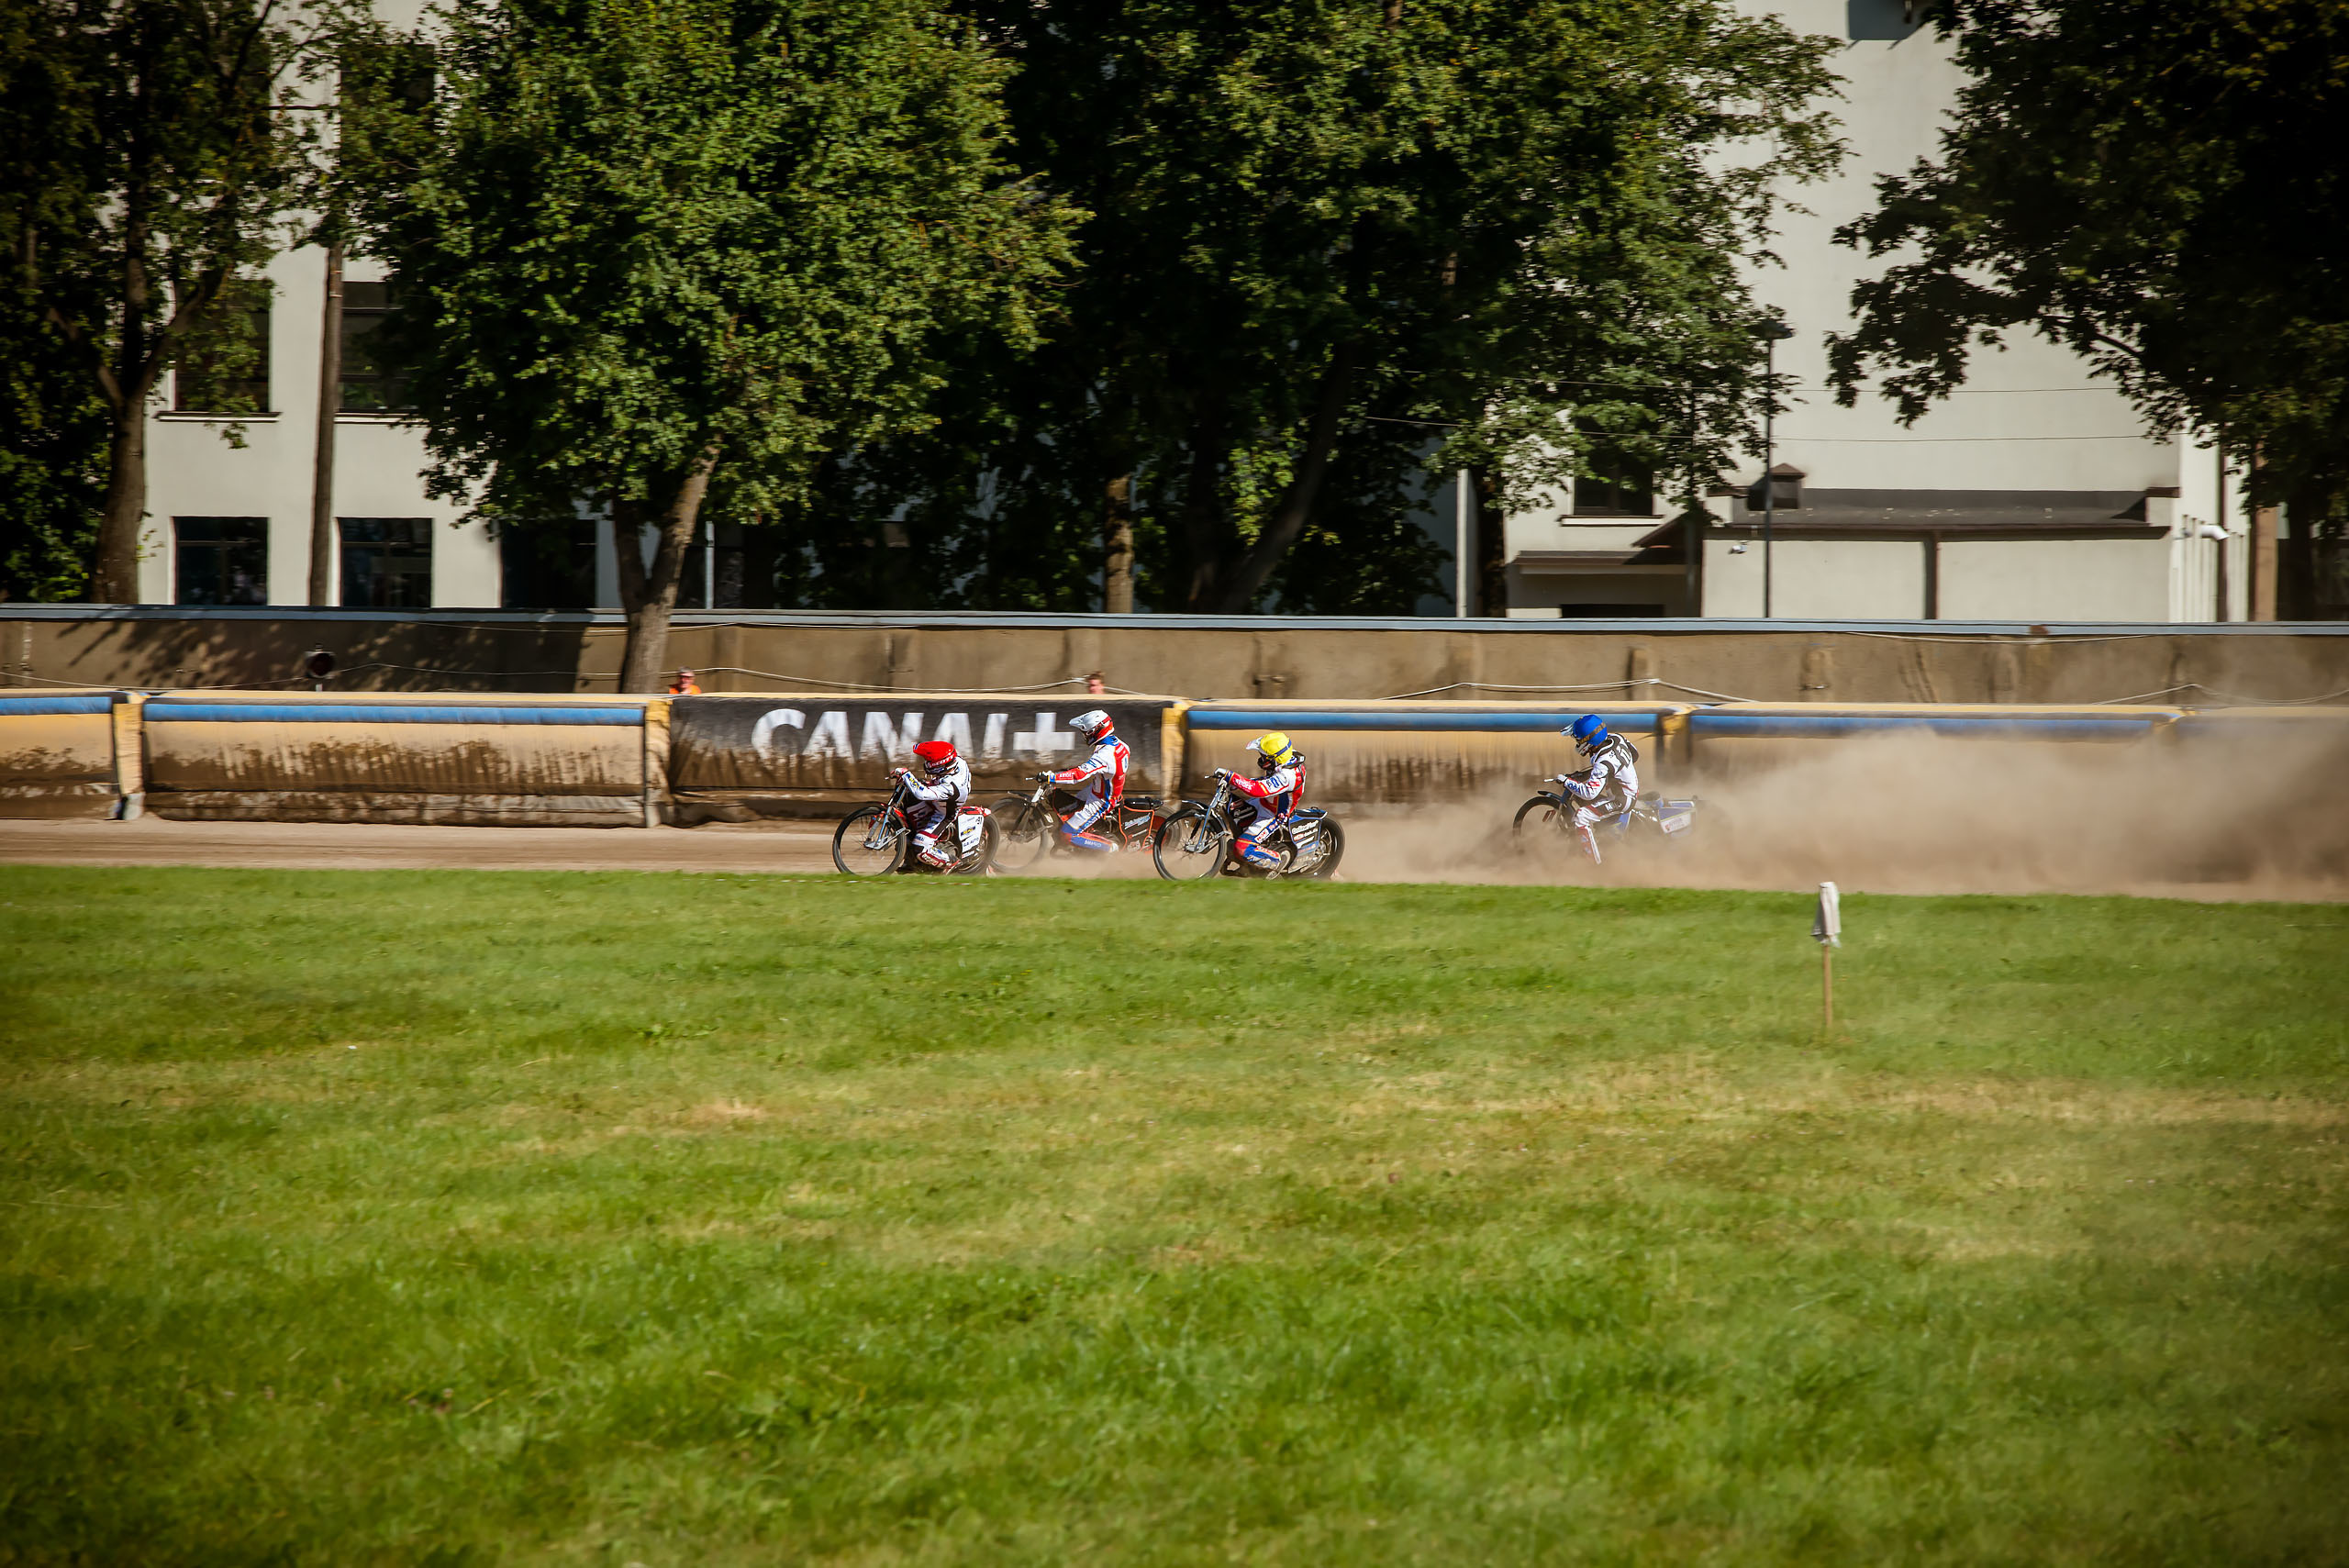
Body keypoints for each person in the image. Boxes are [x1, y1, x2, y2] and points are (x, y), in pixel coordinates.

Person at [1554, 714, 1640, 864]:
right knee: (1584, 800)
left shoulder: (1602, 762)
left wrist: (1567, 781)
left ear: (1588, 741)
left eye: (1579, 740)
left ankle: (1592, 864)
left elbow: (1589, 793)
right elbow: (1635, 754)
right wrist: (1614, 772)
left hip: (1621, 800)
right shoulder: (1617, 738)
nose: (1577, 743)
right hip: (1630, 790)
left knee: (1581, 816)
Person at [1214, 730, 1304, 870]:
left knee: (1241, 848)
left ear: (1276, 758)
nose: (1262, 759)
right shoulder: (1286, 756)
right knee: (1234, 811)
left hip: (1274, 814)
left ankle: (1278, 860)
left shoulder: (1287, 776)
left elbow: (1257, 790)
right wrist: (1234, 784)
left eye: (1264, 757)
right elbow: (1265, 781)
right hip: (1264, 801)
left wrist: (1231, 776)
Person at [1041, 708, 1127, 851]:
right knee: (1069, 809)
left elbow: (1078, 775)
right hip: (1101, 789)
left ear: (1096, 730)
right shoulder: (1118, 744)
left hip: (1101, 799)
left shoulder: (1105, 755)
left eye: (1086, 732)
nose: (1084, 736)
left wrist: (1052, 777)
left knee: (1067, 834)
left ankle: (1111, 847)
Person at [893, 738, 972, 869]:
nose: (929, 765)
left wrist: (906, 774)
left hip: (943, 813)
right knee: (908, 800)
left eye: (932, 764)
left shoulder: (952, 786)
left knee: (920, 848)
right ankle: (909, 854)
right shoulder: (956, 759)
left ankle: (951, 861)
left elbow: (922, 793)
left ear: (943, 766)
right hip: (939, 798)